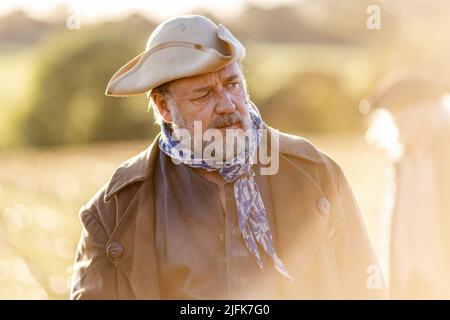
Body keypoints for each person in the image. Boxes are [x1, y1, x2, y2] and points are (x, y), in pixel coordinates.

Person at [70, 15, 385, 299]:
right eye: (203, 94)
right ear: (165, 108)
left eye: (233, 84)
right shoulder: (114, 211)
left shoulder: (316, 173)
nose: (227, 105)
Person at [365, 70, 450, 299]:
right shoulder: (401, 163)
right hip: (408, 282)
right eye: (394, 114)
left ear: (430, 112)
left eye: (406, 112)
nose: (399, 121)